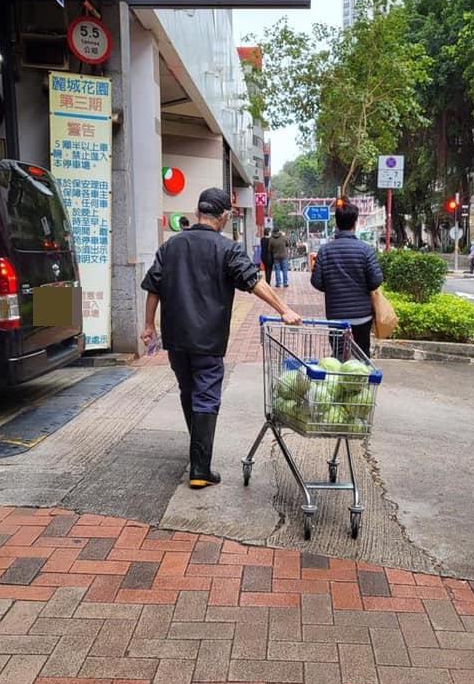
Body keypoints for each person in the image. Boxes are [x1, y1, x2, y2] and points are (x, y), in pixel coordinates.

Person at [141, 188, 301, 490]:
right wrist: (284, 309)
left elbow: (154, 287)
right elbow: (253, 281)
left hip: (176, 337)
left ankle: (197, 452)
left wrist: (149, 325)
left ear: (197, 211)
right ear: (225, 216)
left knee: (188, 391)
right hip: (208, 339)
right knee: (206, 395)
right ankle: (200, 468)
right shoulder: (228, 249)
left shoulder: (171, 246)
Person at [310, 199, 383, 357]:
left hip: (336, 316)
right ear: (355, 223)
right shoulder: (366, 250)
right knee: (362, 357)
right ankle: (362, 380)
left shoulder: (324, 251)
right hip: (362, 316)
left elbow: (316, 281)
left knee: (338, 357)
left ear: (336, 223)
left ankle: (339, 378)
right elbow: (376, 280)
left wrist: (332, 286)